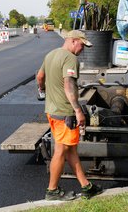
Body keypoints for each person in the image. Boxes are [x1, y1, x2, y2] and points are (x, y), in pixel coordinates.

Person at [36, 30, 103, 201]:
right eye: (82, 45)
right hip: (65, 113)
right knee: (61, 151)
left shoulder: (51, 55)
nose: (82, 49)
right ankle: (52, 190)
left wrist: (42, 90)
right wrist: (78, 110)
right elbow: (68, 84)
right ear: (73, 41)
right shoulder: (70, 58)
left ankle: (86, 186)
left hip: (51, 110)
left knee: (70, 149)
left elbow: (40, 76)